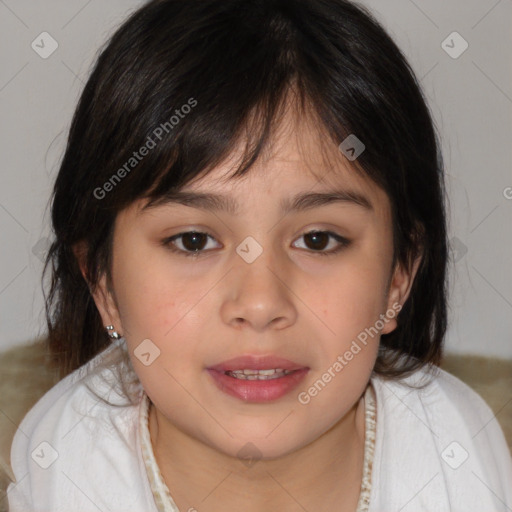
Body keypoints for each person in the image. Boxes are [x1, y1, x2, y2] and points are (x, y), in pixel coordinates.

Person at [7, 0, 512, 510]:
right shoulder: (65, 469)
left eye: (318, 239)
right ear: (103, 282)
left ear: (400, 275)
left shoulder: (456, 460)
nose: (260, 302)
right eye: (193, 241)